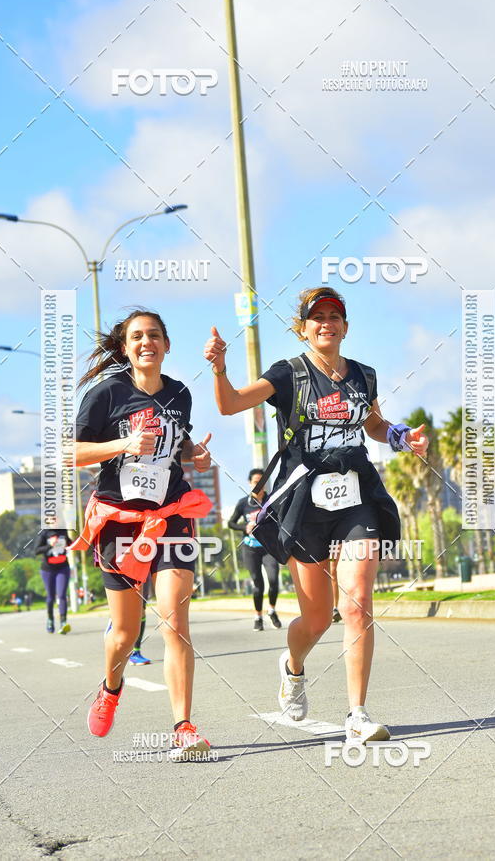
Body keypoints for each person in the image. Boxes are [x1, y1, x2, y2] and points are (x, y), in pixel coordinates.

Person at [204, 287, 428, 743]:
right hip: (304, 503)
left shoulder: (364, 376)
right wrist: (219, 368)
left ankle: (358, 714)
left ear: (345, 327)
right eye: (317, 317)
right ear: (302, 328)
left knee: (356, 603)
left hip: (356, 496)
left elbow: (374, 425)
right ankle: (293, 668)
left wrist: (402, 435)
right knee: (318, 618)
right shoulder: (289, 374)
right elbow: (229, 405)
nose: (326, 323)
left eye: (334, 316)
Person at [71, 309, 214, 760]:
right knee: (126, 633)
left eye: (154, 335)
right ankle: (112, 687)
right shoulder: (105, 395)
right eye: (137, 336)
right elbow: (70, 453)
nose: (146, 341)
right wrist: (122, 445)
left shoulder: (180, 393)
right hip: (120, 522)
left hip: (172, 514)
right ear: (125, 347)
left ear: (167, 344)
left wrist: (197, 454)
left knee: (175, 621)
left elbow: (180, 442)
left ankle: (183, 727)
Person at [228, 469, 282, 631]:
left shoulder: (271, 501)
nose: (258, 484)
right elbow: (231, 523)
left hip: (269, 547)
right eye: (255, 481)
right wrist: (245, 527)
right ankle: (258, 617)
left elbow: (280, 521)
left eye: (261, 481)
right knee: (258, 584)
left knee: (273, 580)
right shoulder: (244, 503)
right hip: (250, 548)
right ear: (250, 483)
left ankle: (271, 610)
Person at [34, 529, 72, 633]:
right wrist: (51, 545)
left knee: (62, 595)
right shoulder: (44, 533)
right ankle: (50, 620)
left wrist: (72, 543)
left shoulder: (63, 531)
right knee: (50, 597)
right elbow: (36, 551)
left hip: (63, 568)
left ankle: (63, 623)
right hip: (48, 569)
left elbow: (69, 542)